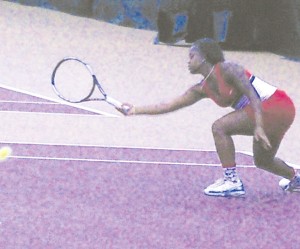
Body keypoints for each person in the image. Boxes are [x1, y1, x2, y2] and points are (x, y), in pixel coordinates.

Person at [118, 38, 299, 197]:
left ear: (204, 56)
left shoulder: (229, 69)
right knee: (263, 161)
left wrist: (259, 126)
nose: (188, 62)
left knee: (220, 127)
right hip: (270, 114)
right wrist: (134, 110)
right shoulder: (202, 88)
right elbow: (169, 105)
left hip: (276, 105)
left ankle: (232, 181)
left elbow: (253, 96)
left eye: (192, 57)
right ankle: (296, 178)